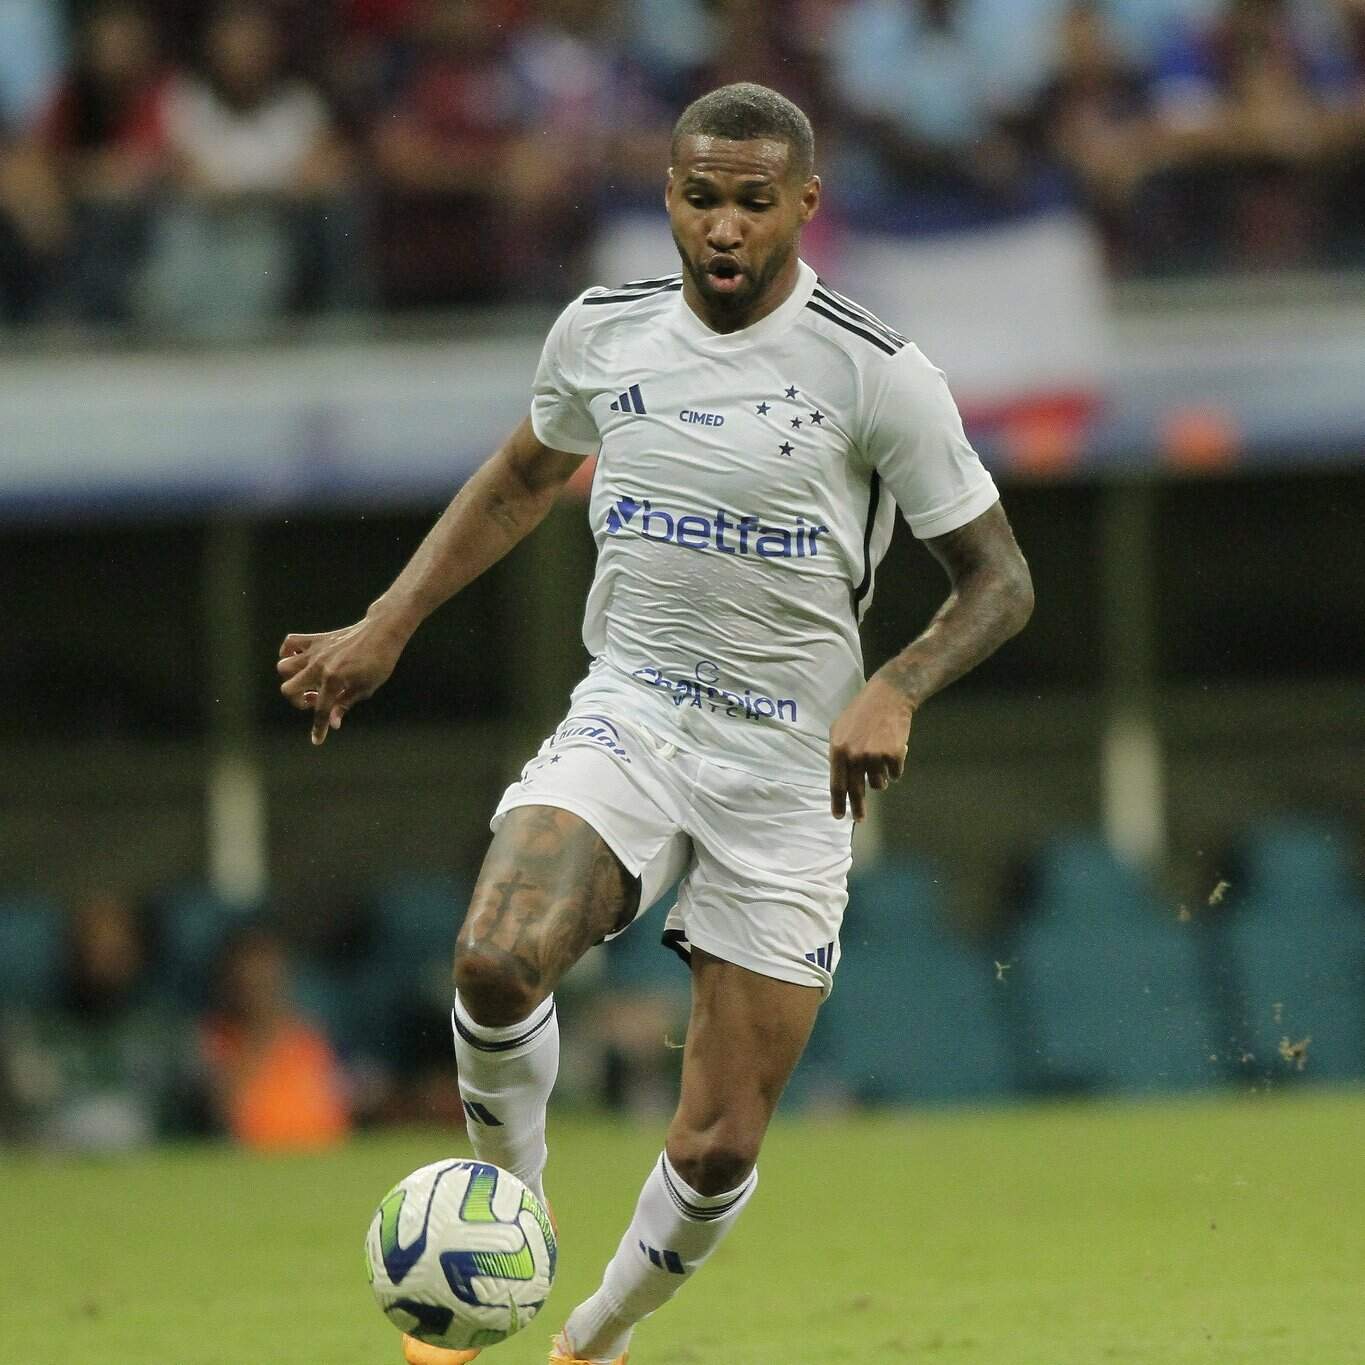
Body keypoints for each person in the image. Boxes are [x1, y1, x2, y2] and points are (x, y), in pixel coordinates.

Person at [278, 81, 1033, 1365]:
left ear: (804, 203)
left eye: (752, 202)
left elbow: (1002, 580)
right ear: (666, 198)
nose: (724, 228)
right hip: (633, 709)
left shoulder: (876, 373)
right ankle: (505, 1226)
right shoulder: (602, 334)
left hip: (789, 776)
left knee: (719, 1139)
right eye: (699, 198)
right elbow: (522, 476)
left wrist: (895, 684)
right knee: (493, 959)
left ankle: (590, 1340)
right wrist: (385, 625)